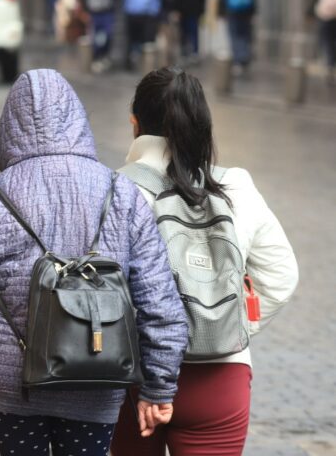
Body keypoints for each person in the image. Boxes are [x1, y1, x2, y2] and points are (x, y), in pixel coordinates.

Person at [0, 69, 188, 456]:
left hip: (10, 384)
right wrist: (159, 385)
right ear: (78, 121)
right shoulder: (122, 193)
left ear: (7, 129)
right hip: (97, 377)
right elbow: (158, 301)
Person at [111, 67, 299, 455]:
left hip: (132, 377)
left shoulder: (115, 190)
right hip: (222, 376)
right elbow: (281, 276)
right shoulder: (237, 186)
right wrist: (228, 325)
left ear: (135, 124)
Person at [218, 0, 257, 72]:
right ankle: (244, 57)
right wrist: (253, 11)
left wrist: (221, 12)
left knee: (234, 34)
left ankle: (237, 60)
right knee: (245, 34)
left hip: (232, 10)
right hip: (246, 10)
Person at [123, 0, 162, 69]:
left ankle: (148, 64)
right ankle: (133, 61)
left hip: (148, 15)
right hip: (132, 15)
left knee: (148, 41)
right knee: (133, 41)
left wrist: (155, 12)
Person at [313, 0, 336, 83]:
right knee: (330, 43)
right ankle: (330, 65)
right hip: (330, 18)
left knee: (327, 43)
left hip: (325, 18)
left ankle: (329, 65)